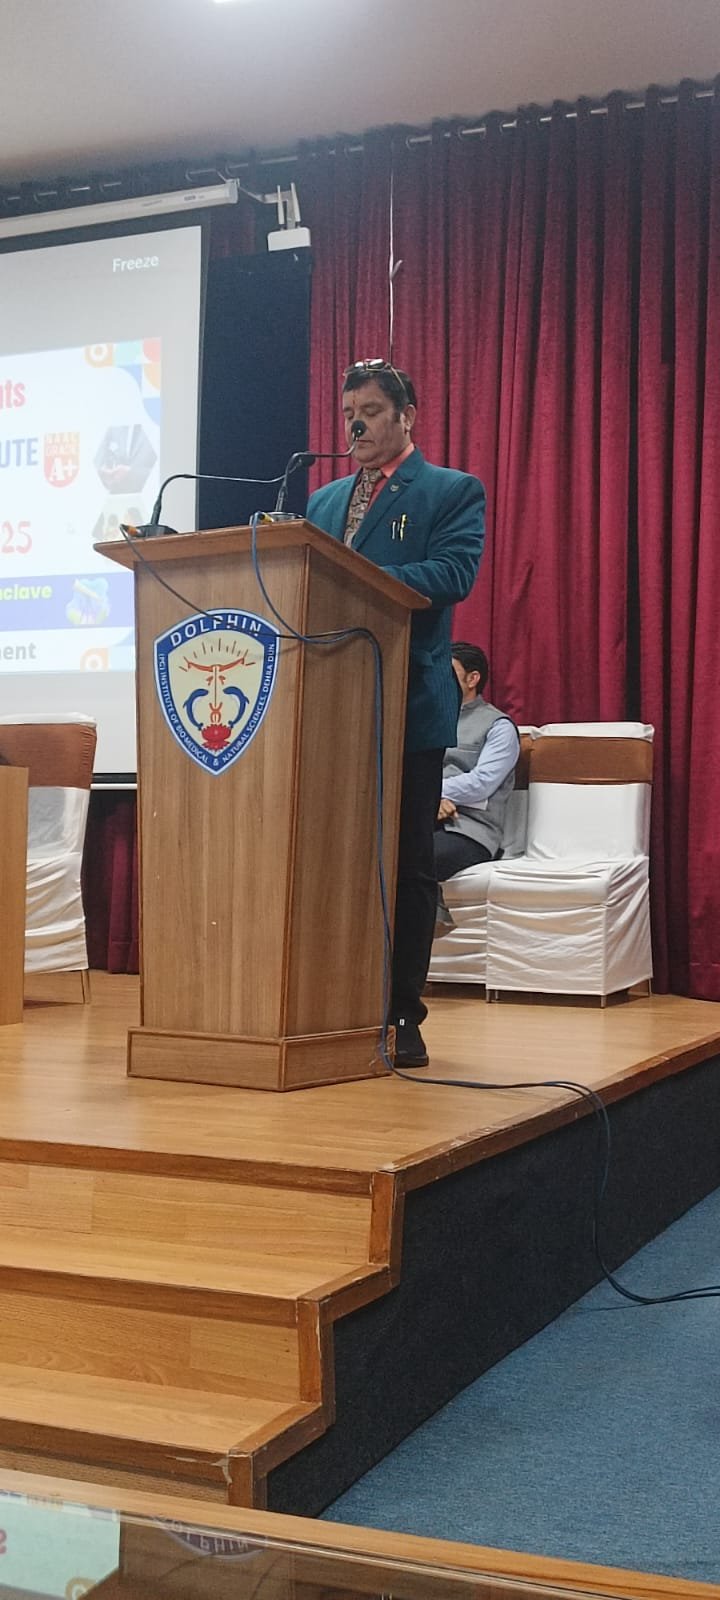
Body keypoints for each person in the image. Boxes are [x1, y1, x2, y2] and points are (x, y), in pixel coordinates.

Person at [307, 360, 485, 1068]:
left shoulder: (449, 489)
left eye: (373, 410)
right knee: (331, 859)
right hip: (326, 707)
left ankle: (402, 1013)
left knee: (408, 864)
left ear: (407, 416)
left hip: (407, 702)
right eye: (350, 411)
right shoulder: (322, 501)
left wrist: (358, 576)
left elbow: (452, 574)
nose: (357, 424)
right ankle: (332, 1001)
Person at [434, 642, 520, 928]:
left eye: (448, 672)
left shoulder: (498, 726)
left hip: (469, 830)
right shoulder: (429, 719)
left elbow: (482, 783)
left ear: (472, 679)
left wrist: (432, 793)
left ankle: (427, 921)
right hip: (424, 818)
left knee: (418, 855)